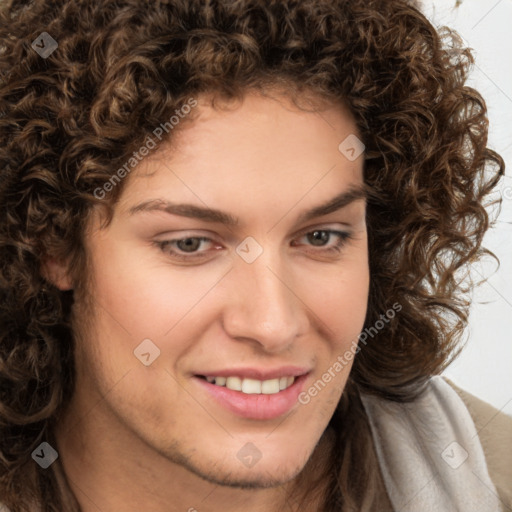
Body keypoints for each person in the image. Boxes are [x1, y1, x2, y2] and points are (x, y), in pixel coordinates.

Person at [0, 0, 510, 511]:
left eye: (320, 237)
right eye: (190, 244)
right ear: (56, 243)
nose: (273, 324)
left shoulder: (491, 478)